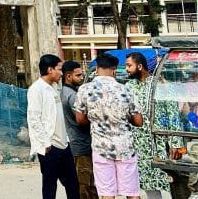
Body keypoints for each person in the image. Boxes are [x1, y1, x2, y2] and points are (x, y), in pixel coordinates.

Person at [74, 53, 143, 199]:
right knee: (132, 193)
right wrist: (123, 117)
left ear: (96, 69)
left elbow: (80, 119)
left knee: (107, 194)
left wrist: (96, 120)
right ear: (114, 70)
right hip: (125, 148)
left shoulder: (85, 90)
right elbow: (138, 121)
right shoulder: (126, 90)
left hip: (101, 148)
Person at [125, 52, 179, 199]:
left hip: (160, 143)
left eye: (129, 65)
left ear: (140, 66)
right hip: (139, 145)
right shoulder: (129, 87)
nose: (126, 69)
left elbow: (173, 113)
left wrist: (175, 143)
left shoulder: (160, 84)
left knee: (169, 182)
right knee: (147, 184)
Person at [27, 54, 80, 199]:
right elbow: (34, 119)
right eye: (59, 69)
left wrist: (66, 138)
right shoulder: (36, 89)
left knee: (73, 185)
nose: (61, 73)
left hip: (64, 144)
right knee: (50, 187)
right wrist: (45, 143)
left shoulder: (53, 88)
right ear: (50, 70)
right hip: (50, 147)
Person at [60, 61, 98, 199]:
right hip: (80, 145)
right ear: (68, 76)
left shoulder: (68, 92)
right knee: (85, 185)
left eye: (82, 75)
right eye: (78, 75)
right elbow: (81, 120)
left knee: (90, 184)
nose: (82, 78)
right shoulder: (71, 95)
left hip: (80, 143)